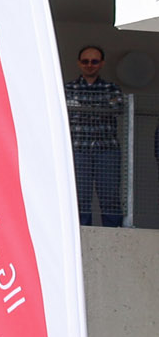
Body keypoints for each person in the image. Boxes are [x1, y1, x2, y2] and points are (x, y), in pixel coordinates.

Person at [68, 44, 125, 227]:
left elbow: (117, 107)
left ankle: (114, 232)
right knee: (79, 196)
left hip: (106, 149)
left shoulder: (111, 88)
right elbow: (67, 111)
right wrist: (100, 107)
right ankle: (80, 231)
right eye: (85, 61)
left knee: (109, 195)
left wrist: (82, 108)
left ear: (101, 64)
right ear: (79, 63)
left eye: (94, 61)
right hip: (78, 150)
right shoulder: (69, 88)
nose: (89, 65)